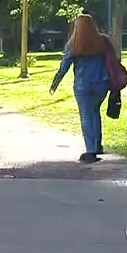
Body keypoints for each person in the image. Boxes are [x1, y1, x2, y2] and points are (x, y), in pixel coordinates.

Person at [49, 14, 111, 163]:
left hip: (83, 85)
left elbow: (64, 65)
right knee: (95, 112)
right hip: (101, 83)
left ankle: (90, 151)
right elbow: (112, 61)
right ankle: (97, 145)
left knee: (86, 115)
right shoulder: (102, 41)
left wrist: (55, 82)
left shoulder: (74, 44)